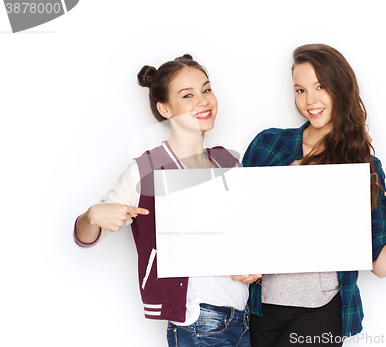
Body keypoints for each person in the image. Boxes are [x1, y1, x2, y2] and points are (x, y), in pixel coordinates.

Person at [241, 44, 386, 346]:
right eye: (300, 90)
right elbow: (239, 221)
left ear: (340, 90)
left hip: (320, 312)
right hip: (261, 309)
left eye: (321, 87)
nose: (310, 100)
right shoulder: (268, 145)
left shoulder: (362, 166)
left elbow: (379, 264)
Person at [74, 54, 257, 347]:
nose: (204, 101)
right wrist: (92, 216)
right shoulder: (146, 168)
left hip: (242, 318)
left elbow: (240, 234)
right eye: (188, 95)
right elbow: (85, 236)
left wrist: (251, 263)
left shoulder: (228, 161)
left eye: (206, 90)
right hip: (199, 322)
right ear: (165, 108)